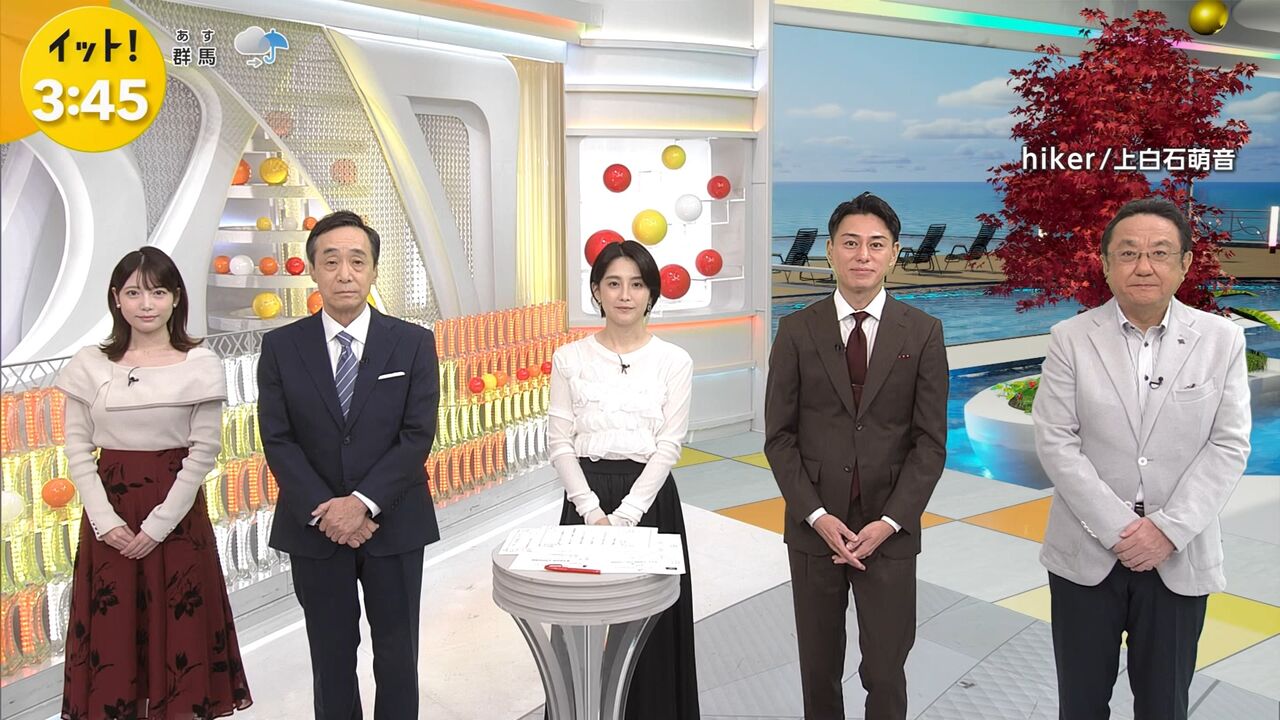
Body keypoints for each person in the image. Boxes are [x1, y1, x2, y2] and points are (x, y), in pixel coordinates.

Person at [1033, 197, 1250, 720]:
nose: (1144, 266)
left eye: (1159, 252)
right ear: (1106, 264)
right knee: (1080, 705)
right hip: (1086, 553)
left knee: (1165, 706)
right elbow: (1056, 441)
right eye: (1128, 253)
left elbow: (1229, 445)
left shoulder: (1222, 340)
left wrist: (1167, 531)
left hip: (1178, 553)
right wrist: (1120, 531)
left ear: (1185, 263)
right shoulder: (1070, 339)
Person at [764, 192, 948, 719]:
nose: (862, 255)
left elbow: (930, 442)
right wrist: (816, 515)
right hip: (815, 527)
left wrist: (890, 521)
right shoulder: (796, 330)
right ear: (830, 251)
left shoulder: (924, 331)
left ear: (894, 254)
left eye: (875, 244)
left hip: (888, 529)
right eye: (850, 243)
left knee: (886, 670)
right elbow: (779, 437)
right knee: (818, 666)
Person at [257, 211, 440, 719]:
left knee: (398, 656)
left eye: (357, 261)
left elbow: (416, 436)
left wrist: (361, 503)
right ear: (313, 270)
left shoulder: (412, 342)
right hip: (315, 529)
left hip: (395, 522)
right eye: (331, 261)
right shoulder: (281, 347)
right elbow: (278, 438)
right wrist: (328, 510)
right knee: (331, 657)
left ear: (374, 270)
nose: (345, 274)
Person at [55, 247, 252, 719]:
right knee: (114, 633)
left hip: (178, 519)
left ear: (176, 298)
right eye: (134, 293)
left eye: (158, 292)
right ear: (116, 298)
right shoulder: (89, 363)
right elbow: (78, 450)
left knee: (180, 637)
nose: (146, 304)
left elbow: (203, 452)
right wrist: (105, 522)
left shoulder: (200, 362)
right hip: (111, 520)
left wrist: (159, 525)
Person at [547, 240, 699, 718]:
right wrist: (592, 513)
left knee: (651, 631)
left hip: (649, 502)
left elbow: (669, 446)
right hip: (584, 500)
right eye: (613, 283)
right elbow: (559, 443)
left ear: (652, 293)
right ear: (596, 290)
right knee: (579, 628)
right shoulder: (569, 358)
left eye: (637, 284)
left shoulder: (675, 361)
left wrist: (626, 516)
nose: (625, 295)